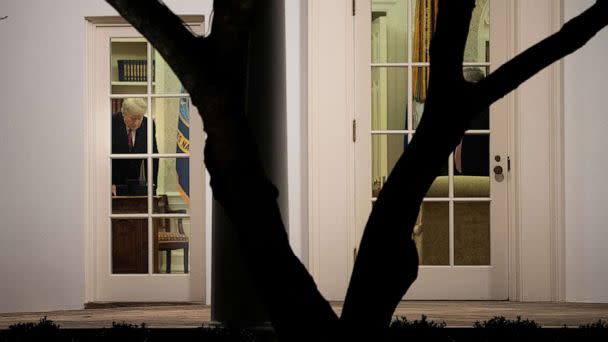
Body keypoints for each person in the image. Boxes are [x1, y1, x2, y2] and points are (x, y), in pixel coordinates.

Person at [111, 98, 159, 195]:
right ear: (123, 113)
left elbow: (153, 156)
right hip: (114, 180)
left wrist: (151, 184)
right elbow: (104, 156)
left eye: (139, 118)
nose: (137, 123)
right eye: (133, 118)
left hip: (135, 180)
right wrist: (108, 183)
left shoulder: (148, 124)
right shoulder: (111, 122)